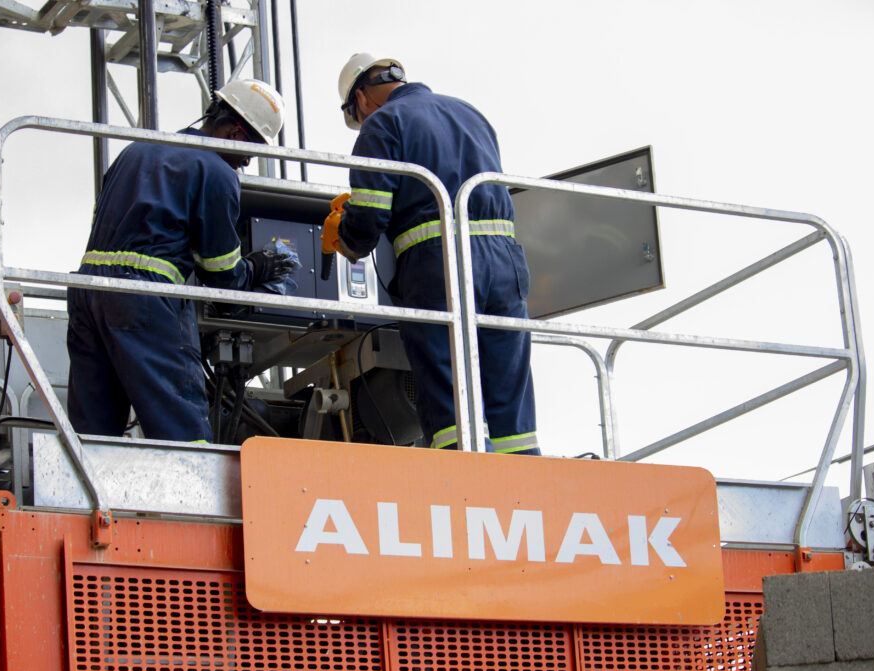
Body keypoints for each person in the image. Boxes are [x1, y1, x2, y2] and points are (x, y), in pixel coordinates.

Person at [328, 54, 539, 455]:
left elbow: (370, 215)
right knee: (509, 388)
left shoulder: (382, 124)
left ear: (361, 98)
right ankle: (523, 481)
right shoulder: (469, 113)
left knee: (449, 396)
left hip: (438, 263)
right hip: (504, 262)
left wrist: (347, 240)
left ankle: (463, 481)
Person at [66, 79, 293, 443]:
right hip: (145, 302)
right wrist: (257, 268)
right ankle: (196, 499)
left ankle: (87, 499)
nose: (248, 162)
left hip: (87, 292)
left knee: (93, 434)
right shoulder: (217, 173)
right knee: (182, 431)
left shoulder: (136, 151)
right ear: (235, 133)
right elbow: (221, 275)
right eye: (252, 149)